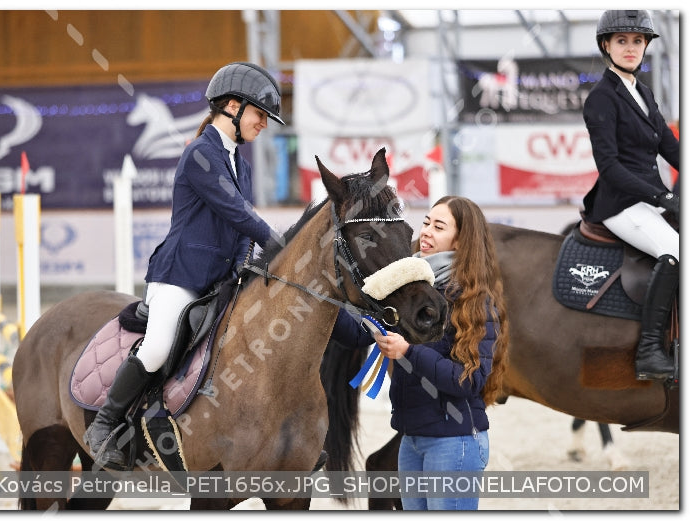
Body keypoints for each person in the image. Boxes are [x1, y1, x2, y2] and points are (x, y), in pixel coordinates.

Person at [84, 62, 284, 469]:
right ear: (232, 106)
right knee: (157, 347)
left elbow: (242, 227)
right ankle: (104, 425)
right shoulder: (200, 154)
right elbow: (235, 211)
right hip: (181, 276)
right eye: (260, 115)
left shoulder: (241, 165)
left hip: (220, 280)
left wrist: (249, 262)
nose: (264, 124)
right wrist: (277, 243)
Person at [332, 195, 509, 510]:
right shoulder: (406, 293)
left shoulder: (476, 301)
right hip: (410, 440)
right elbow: (355, 335)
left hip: (455, 443)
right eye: (426, 222)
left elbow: (468, 381)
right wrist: (325, 300)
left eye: (439, 226)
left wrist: (408, 352)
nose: (426, 231)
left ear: (461, 240)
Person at [582, 10, 679, 381]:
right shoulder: (601, 98)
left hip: (648, 198)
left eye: (637, 40)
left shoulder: (643, 92)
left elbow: (670, 147)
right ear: (606, 45)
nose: (630, 47)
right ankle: (650, 352)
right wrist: (664, 197)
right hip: (620, 203)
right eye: (621, 40)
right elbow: (610, 168)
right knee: (675, 253)